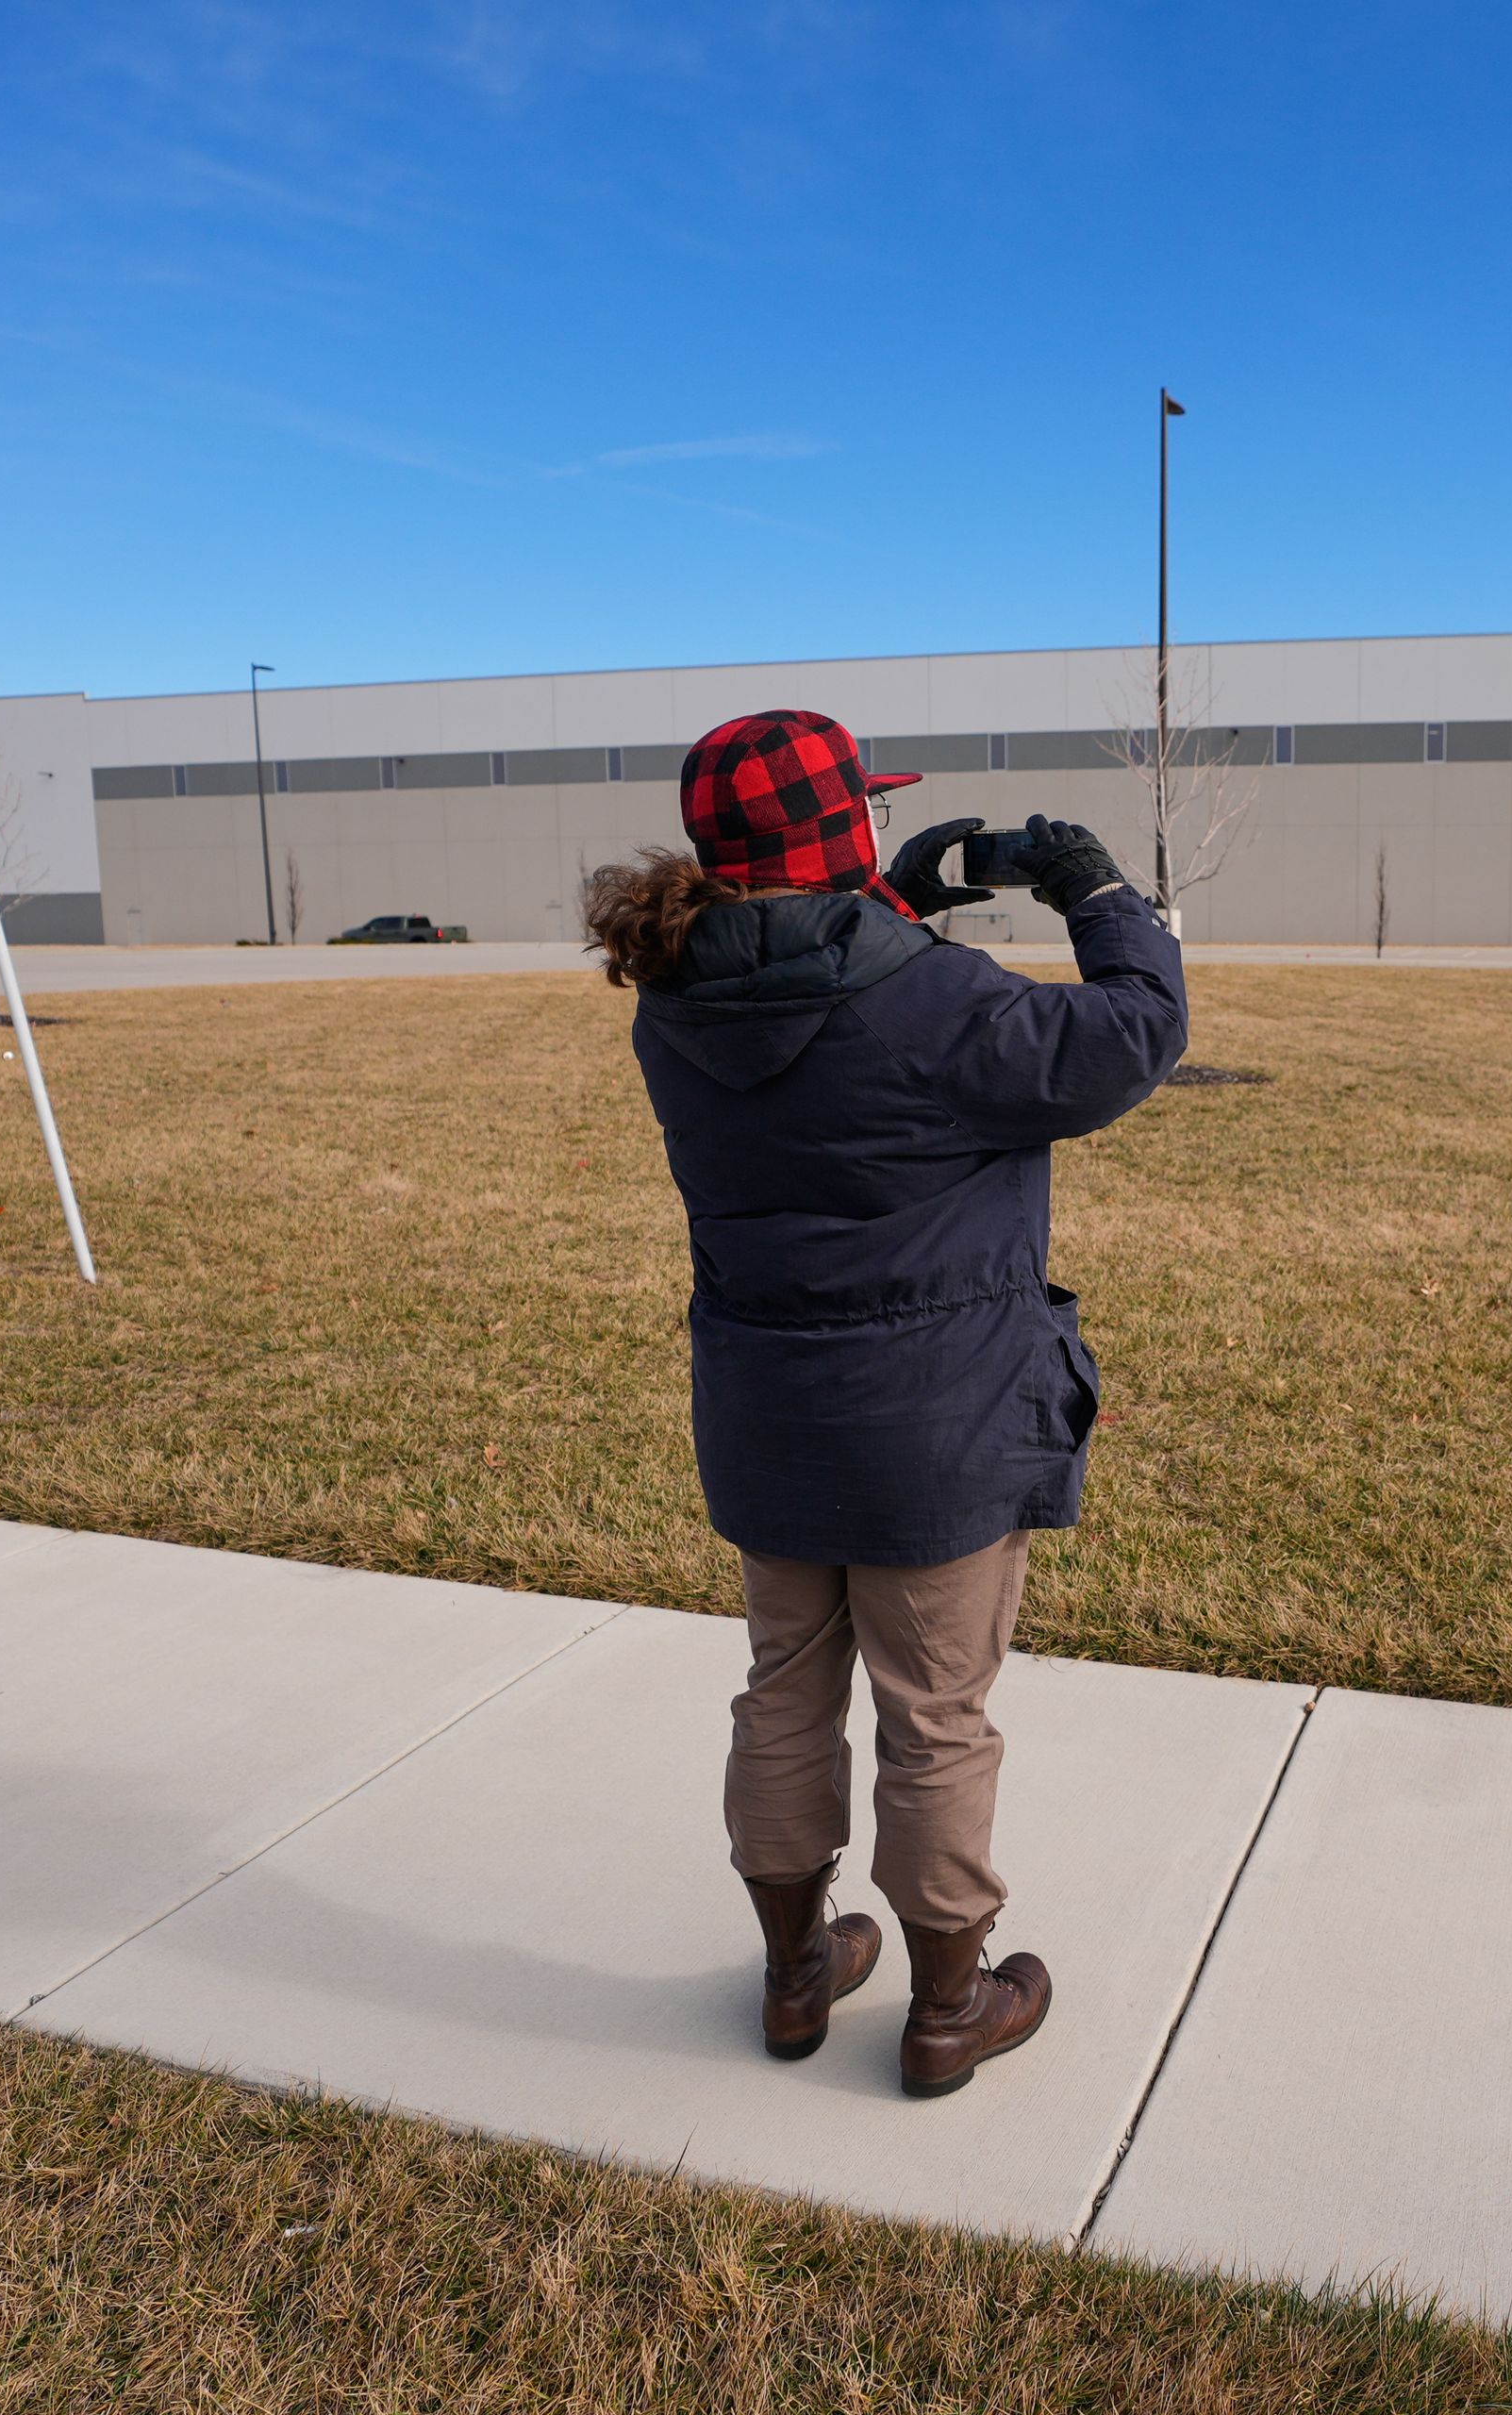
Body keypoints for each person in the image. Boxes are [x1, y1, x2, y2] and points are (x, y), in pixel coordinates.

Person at [587, 708, 1186, 2098]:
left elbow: (802, 992)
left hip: (767, 1416)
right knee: (937, 1716)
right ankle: (947, 2006)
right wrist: (1098, 890)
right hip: (935, 1427)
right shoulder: (944, 1003)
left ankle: (797, 1976)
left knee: (785, 1695)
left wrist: (892, 899)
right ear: (846, 828)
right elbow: (1135, 1033)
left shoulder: (673, 1003)